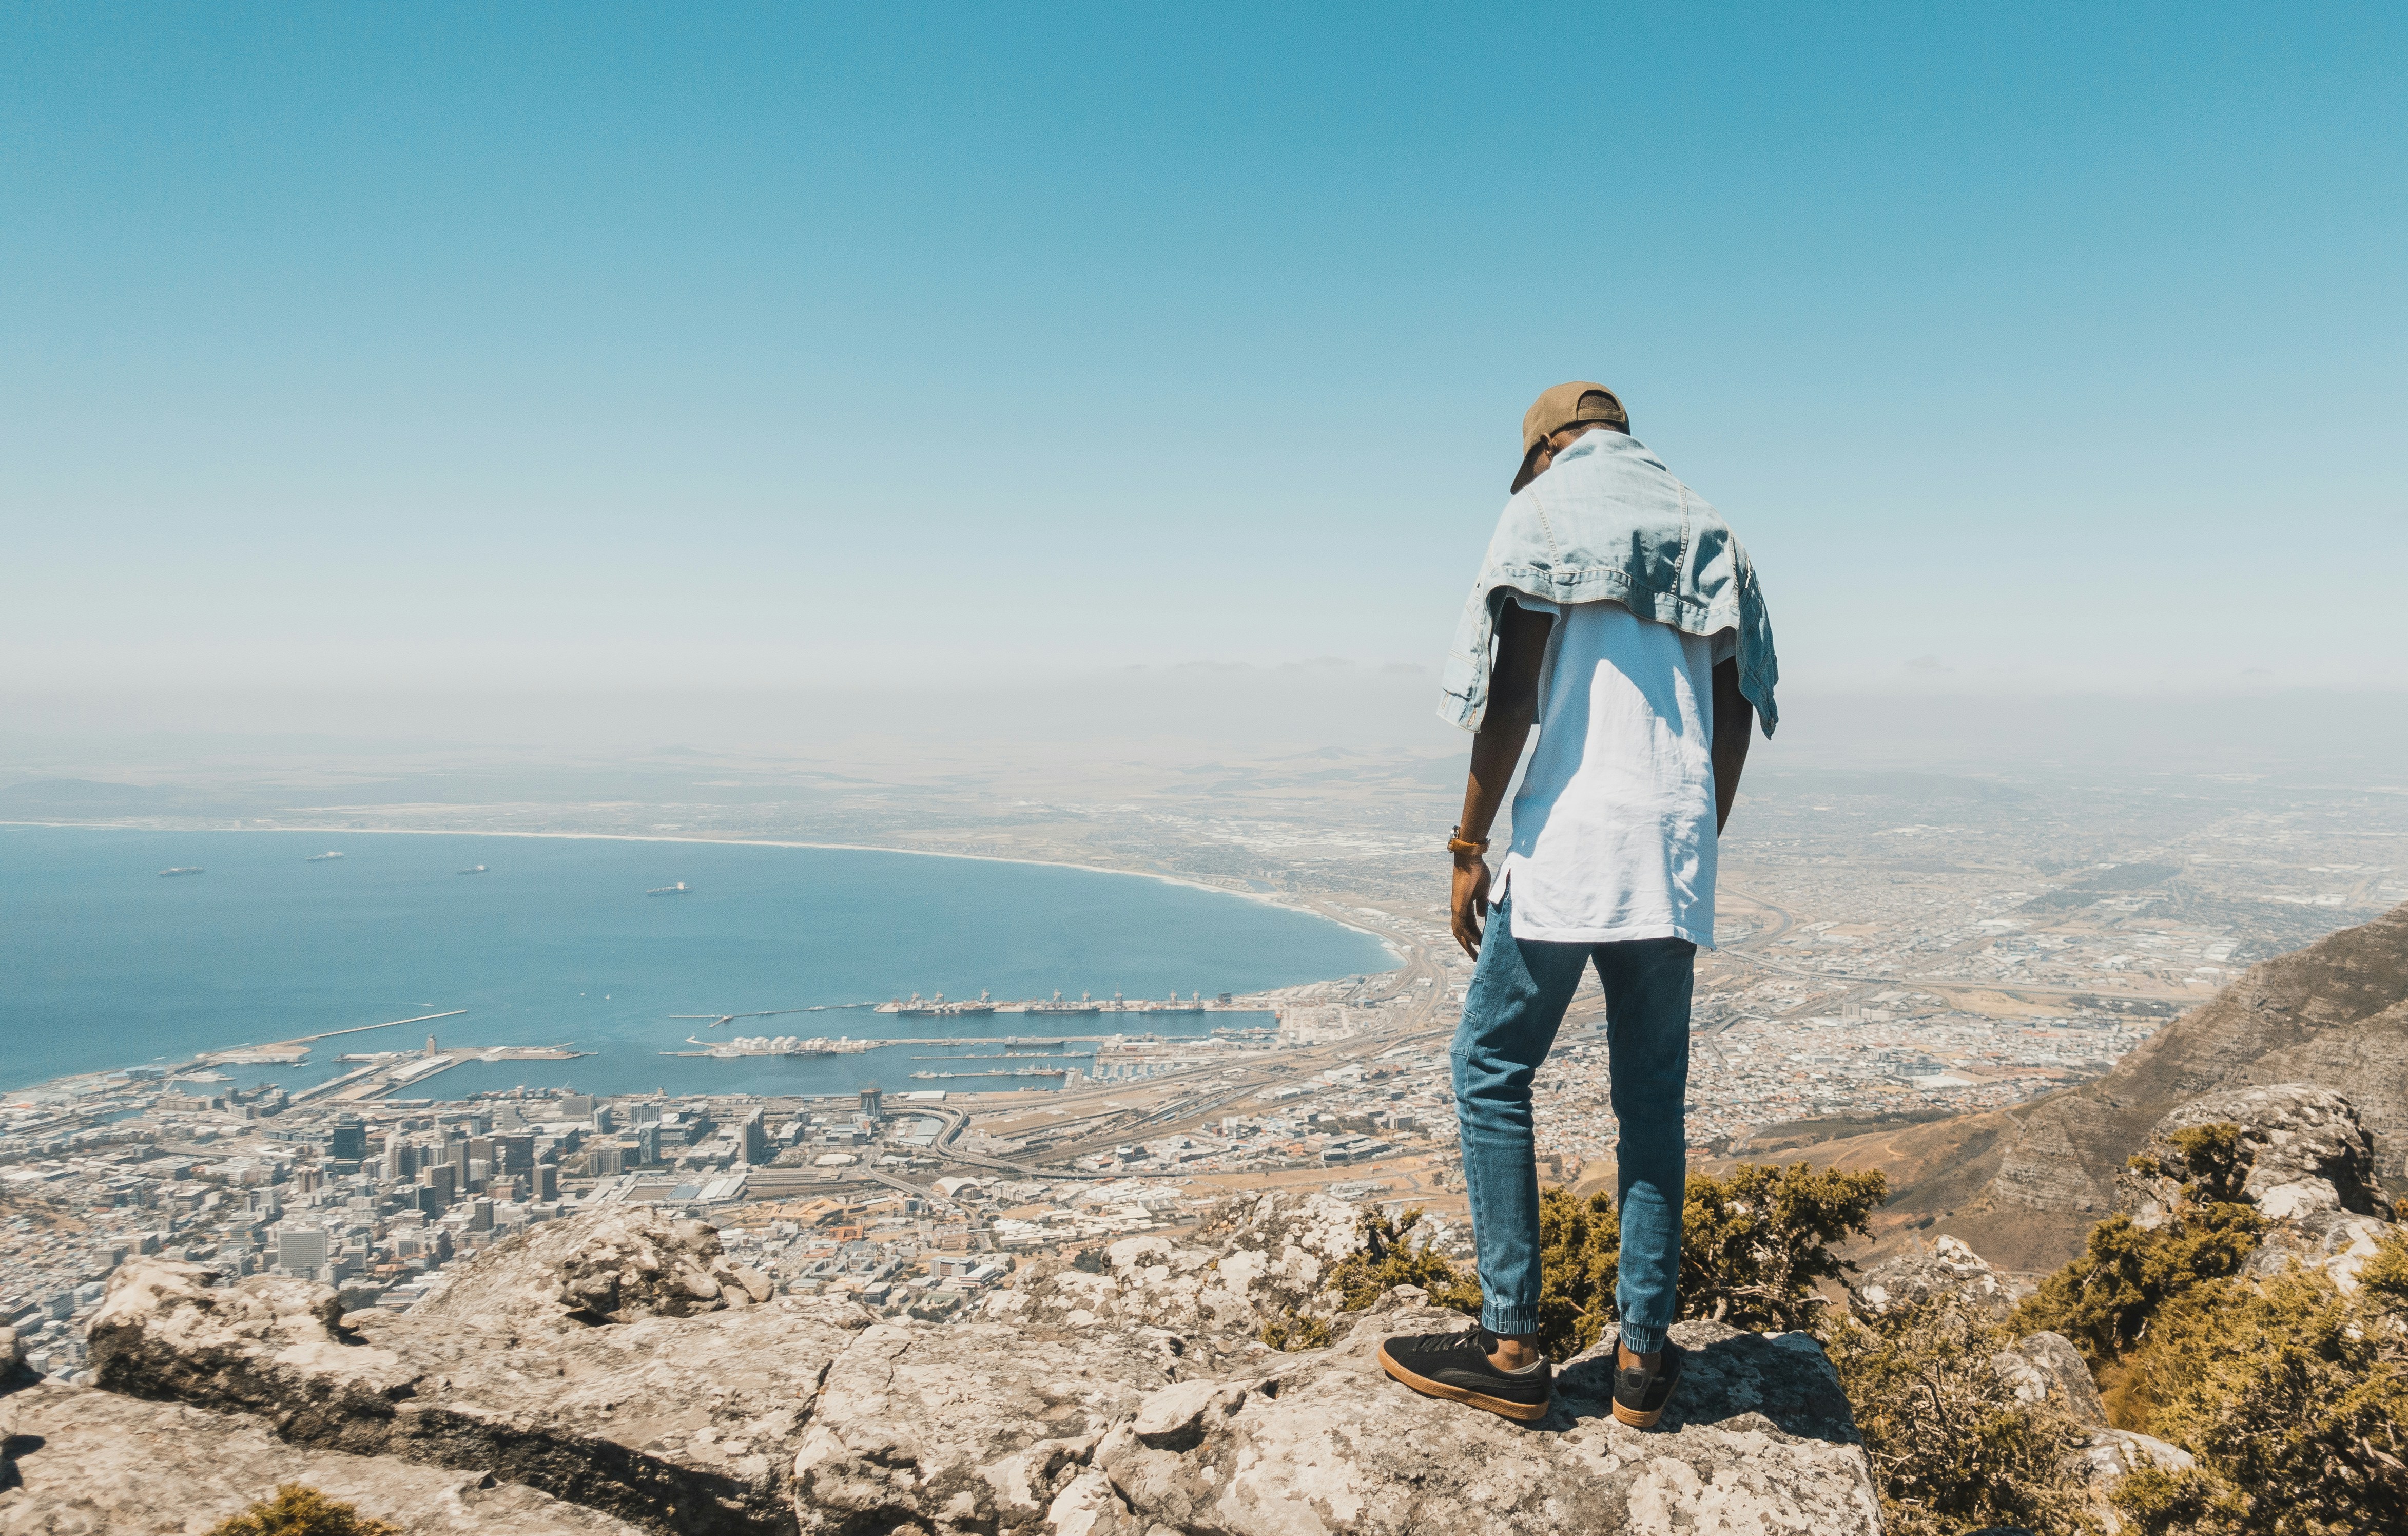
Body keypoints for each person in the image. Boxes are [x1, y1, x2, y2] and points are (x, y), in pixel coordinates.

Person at [1377, 381, 1779, 1427]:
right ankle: (1642, 1360)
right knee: (1651, 1105)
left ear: (1549, 446)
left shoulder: (1544, 512)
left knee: (1491, 1065)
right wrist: (1695, 829)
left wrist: (1468, 843)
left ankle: (1512, 1341)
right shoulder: (1713, 529)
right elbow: (1738, 702)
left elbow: (1511, 695)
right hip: (1670, 850)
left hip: (1567, 846)